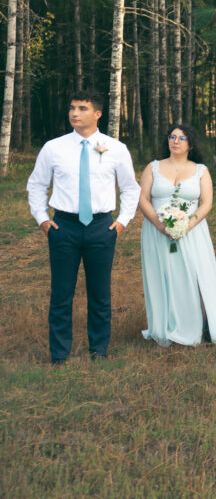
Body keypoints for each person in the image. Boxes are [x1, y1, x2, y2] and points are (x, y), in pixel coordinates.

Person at [26, 90, 141, 365]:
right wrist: (43, 220)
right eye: (72, 108)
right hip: (63, 226)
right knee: (61, 292)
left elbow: (130, 188)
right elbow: (36, 185)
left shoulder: (116, 148)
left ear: (97, 114)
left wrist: (122, 222)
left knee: (100, 293)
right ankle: (59, 354)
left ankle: (99, 350)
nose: (74, 113)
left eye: (82, 108)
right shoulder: (54, 147)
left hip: (102, 227)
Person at [137, 125, 216, 347]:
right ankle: (166, 325)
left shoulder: (200, 170)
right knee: (163, 275)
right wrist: (160, 225)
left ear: (190, 145)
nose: (175, 141)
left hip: (193, 232)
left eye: (181, 138)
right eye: (172, 136)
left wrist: (187, 225)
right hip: (156, 232)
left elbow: (207, 203)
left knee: (196, 275)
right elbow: (143, 199)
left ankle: (202, 325)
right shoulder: (152, 168)